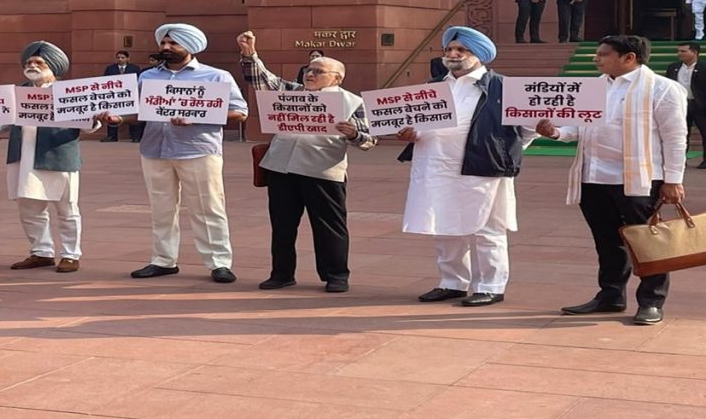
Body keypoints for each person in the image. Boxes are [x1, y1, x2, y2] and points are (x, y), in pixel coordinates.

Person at [536, 36, 687, 325]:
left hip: (640, 178)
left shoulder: (663, 88)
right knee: (606, 240)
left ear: (628, 58)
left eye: (603, 54)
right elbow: (579, 126)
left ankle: (652, 301)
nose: (597, 59)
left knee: (648, 241)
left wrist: (673, 180)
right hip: (594, 175)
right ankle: (611, 295)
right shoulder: (594, 87)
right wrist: (555, 132)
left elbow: (675, 137)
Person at [397, 26, 537, 306]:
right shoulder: (431, 88)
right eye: (449, 49)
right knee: (445, 226)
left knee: (487, 229)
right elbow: (419, 125)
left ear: (479, 55)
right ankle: (452, 282)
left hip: (484, 168)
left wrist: (503, 151)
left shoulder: (503, 87)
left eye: (462, 50)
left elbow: (528, 129)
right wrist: (411, 133)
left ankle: (491, 285)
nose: (453, 54)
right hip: (437, 168)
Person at [98, 23, 248, 283]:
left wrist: (196, 116)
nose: (166, 48)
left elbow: (240, 112)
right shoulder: (147, 77)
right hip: (155, 149)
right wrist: (118, 119)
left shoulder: (215, 77)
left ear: (190, 46)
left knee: (207, 207)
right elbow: (138, 112)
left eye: (173, 44)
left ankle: (219, 263)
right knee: (161, 208)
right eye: (164, 43)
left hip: (198, 150)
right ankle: (163, 260)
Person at [237, 31, 377, 293]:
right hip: (281, 168)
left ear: (337, 78)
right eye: (308, 70)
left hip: (322, 172)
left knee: (328, 227)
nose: (310, 75)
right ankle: (281, 273)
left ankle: (335, 275)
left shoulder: (352, 102)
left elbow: (369, 142)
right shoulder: (291, 91)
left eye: (318, 71)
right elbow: (262, 80)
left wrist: (353, 134)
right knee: (282, 225)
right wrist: (249, 54)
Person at [0, 42, 99, 273]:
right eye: (29, 62)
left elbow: (89, 126)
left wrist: (98, 116)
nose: (32, 65)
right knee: (29, 208)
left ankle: (70, 254)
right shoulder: (17, 92)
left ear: (53, 67)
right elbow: (3, 119)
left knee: (66, 208)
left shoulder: (70, 93)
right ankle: (41, 252)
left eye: (39, 62)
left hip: (58, 156)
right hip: (22, 156)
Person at [666, 42, 706, 169]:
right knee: (681, 133)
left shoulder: (704, 67)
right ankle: (680, 161)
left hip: (700, 105)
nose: (680, 54)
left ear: (694, 53)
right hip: (680, 105)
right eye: (679, 51)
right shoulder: (673, 67)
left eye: (683, 51)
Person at [100, 50, 141, 142]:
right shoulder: (110, 68)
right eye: (118, 57)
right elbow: (105, 81)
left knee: (131, 115)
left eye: (122, 57)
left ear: (127, 58)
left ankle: (135, 136)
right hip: (114, 95)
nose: (120, 59)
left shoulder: (134, 68)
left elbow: (138, 81)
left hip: (130, 95)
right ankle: (112, 136)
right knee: (112, 115)